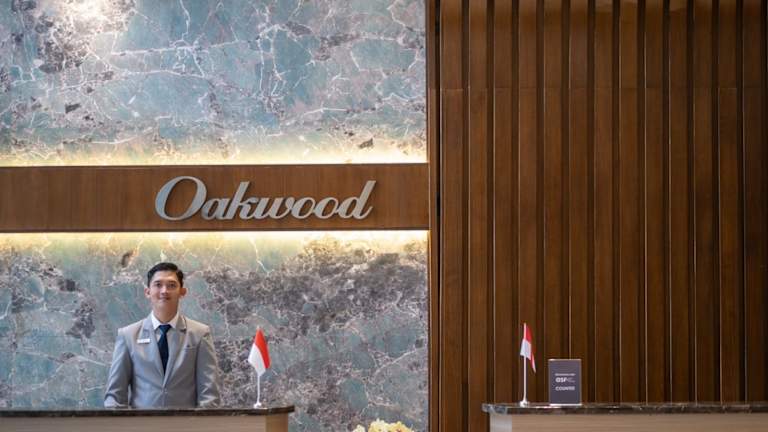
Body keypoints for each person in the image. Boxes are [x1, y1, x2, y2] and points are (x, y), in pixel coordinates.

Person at [104, 262, 220, 408]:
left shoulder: (200, 333)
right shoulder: (128, 335)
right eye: (158, 285)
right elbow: (115, 396)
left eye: (171, 285)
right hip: (142, 421)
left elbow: (209, 395)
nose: (164, 291)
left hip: (186, 421)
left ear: (182, 292)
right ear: (147, 292)